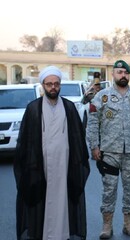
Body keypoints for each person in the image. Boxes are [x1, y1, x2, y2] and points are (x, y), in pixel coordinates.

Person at [13, 65, 90, 240]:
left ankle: (62, 235)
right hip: (41, 165)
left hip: (65, 164)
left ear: (60, 85)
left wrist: (77, 164)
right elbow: (25, 142)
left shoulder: (69, 107)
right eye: (49, 84)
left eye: (56, 84)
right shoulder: (33, 108)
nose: (53, 87)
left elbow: (78, 139)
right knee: (41, 200)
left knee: (64, 199)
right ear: (43, 85)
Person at [86, 59, 130, 239]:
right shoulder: (102, 96)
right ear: (113, 74)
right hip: (109, 152)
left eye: (125, 73)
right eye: (119, 72)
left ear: (129, 75)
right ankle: (107, 225)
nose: (123, 75)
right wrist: (94, 145)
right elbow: (93, 122)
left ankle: (129, 223)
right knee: (109, 190)